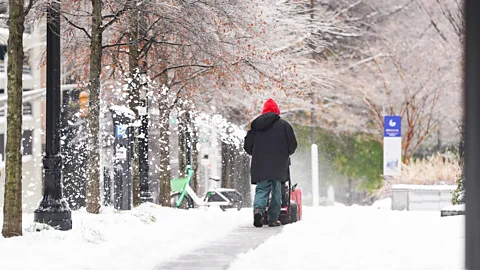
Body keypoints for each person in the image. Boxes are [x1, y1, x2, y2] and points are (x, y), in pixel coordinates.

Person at [244, 98, 298, 227]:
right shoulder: (285, 125)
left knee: (262, 189)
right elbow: (293, 145)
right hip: (279, 164)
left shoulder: (254, 125)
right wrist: (286, 153)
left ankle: (258, 210)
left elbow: (247, 146)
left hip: (260, 164)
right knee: (277, 191)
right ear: (277, 111)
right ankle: (273, 219)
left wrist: (257, 154)